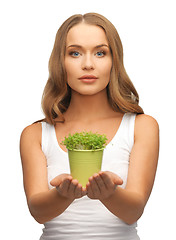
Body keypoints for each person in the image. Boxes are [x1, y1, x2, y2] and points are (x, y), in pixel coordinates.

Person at [20, 13, 159, 240]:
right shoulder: (35, 134)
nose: (87, 64)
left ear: (114, 60)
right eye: (75, 53)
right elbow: (38, 212)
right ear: (60, 62)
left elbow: (134, 210)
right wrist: (62, 195)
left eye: (100, 53)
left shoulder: (141, 127)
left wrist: (109, 194)